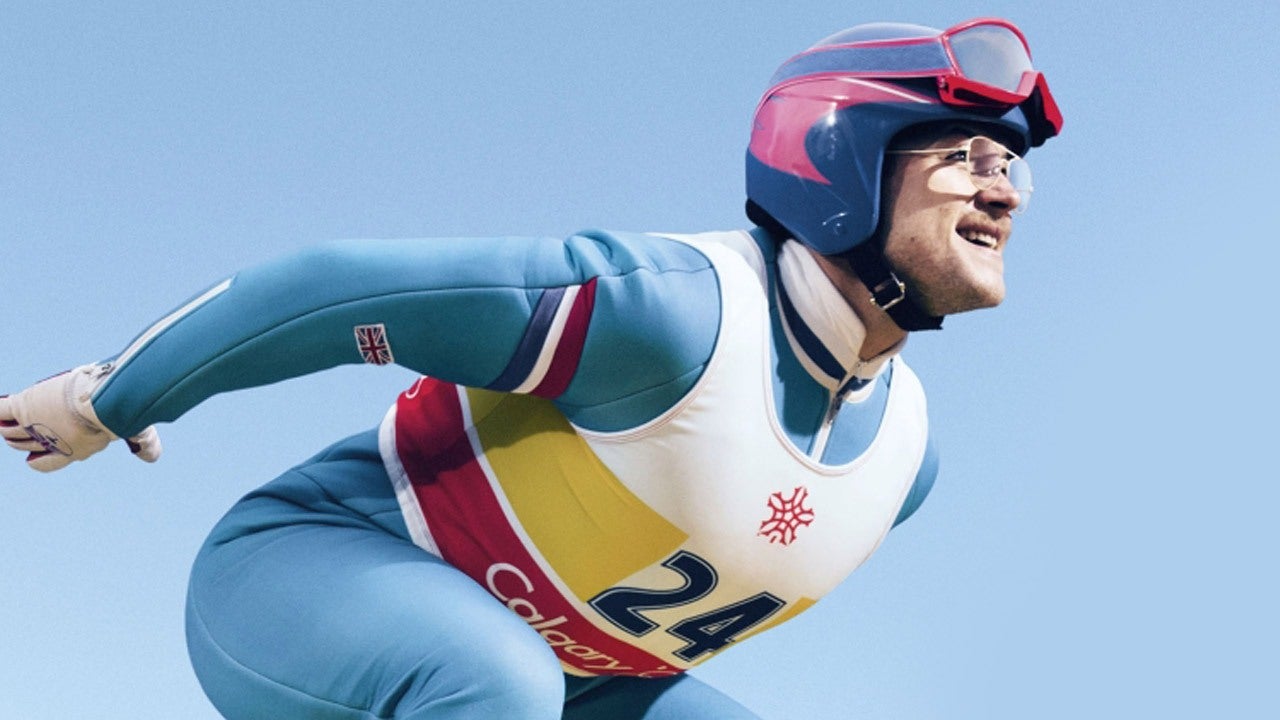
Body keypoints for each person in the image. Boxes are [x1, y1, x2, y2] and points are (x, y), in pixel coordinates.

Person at [1, 17, 1062, 720]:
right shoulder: (666, 315)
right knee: (493, 680)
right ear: (838, 157)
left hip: (566, 680)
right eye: (967, 155)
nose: (1004, 190)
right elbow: (330, 289)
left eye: (1012, 164)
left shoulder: (905, 465)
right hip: (302, 578)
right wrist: (108, 399)